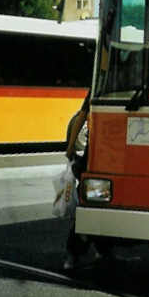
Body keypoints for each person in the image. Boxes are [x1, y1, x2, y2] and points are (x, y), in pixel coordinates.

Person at [63, 92, 94, 270]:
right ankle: (74, 253)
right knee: (90, 204)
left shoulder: (99, 87)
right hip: (98, 154)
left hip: (96, 153)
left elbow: (81, 116)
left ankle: (74, 255)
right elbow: (82, 116)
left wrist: (70, 147)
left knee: (89, 204)